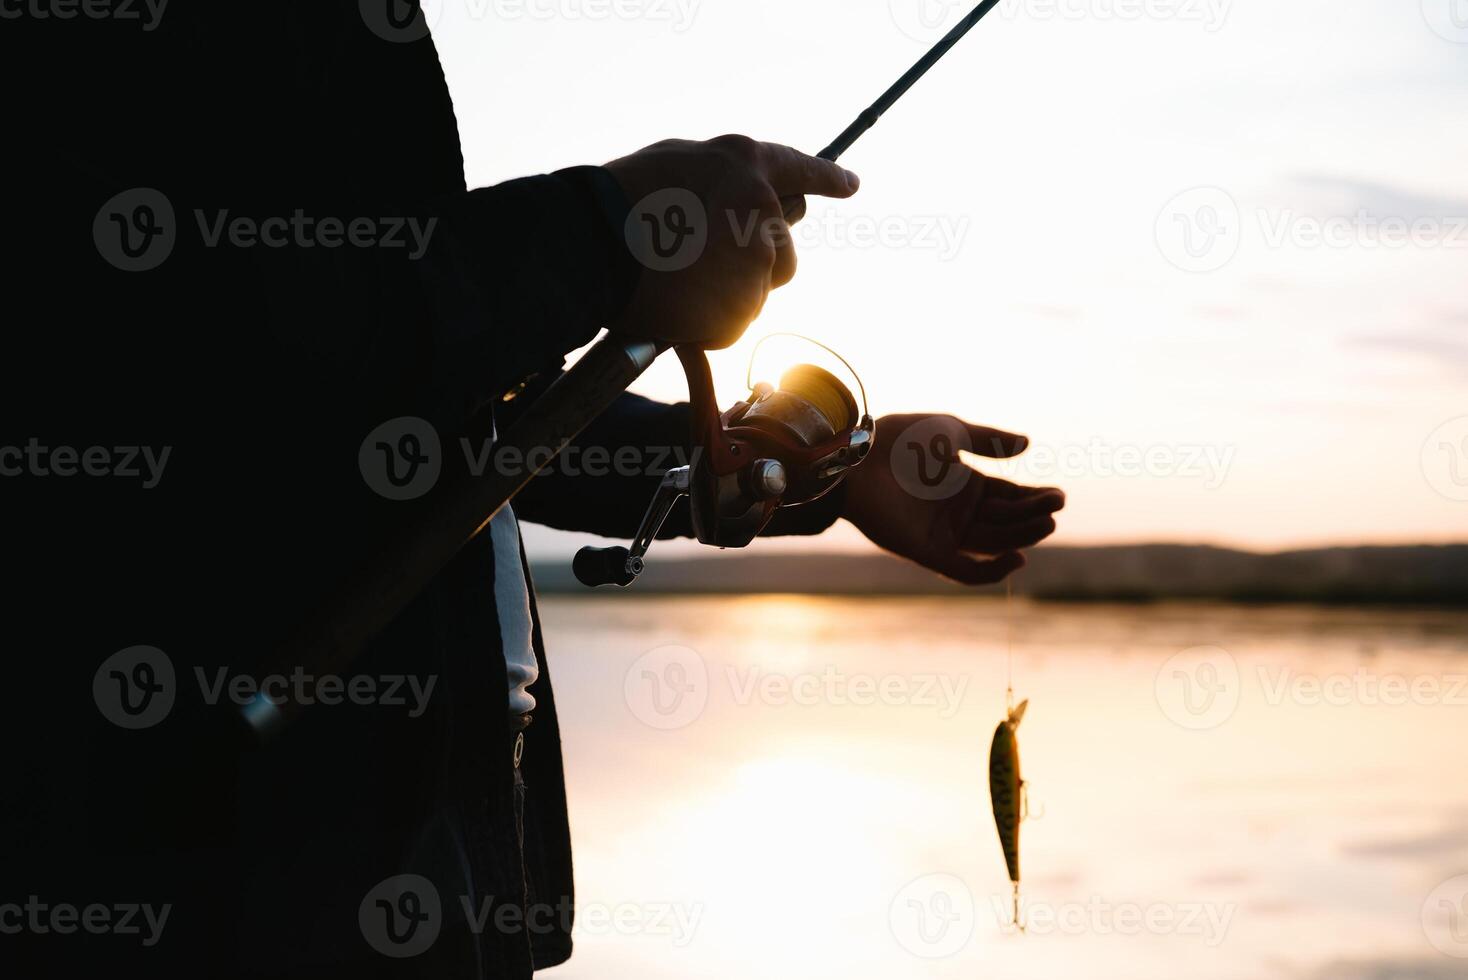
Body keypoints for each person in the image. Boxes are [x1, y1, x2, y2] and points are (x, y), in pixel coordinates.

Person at [5, 4, 1062, 977]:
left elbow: (421, 409)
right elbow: (149, 330)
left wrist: (812, 478)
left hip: (431, 864)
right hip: (211, 867)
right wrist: (597, 237)